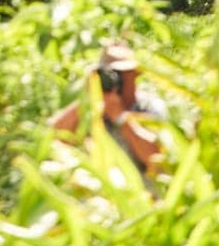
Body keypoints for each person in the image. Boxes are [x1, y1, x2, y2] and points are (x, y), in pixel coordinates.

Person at [50, 43, 165, 178]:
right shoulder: (94, 108)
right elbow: (54, 140)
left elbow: (157, 160)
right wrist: (88, 97)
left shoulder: (148, 106)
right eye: (112, 73)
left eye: (121, 73)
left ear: (134, 74)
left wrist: (120, 117)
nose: (117, 79)